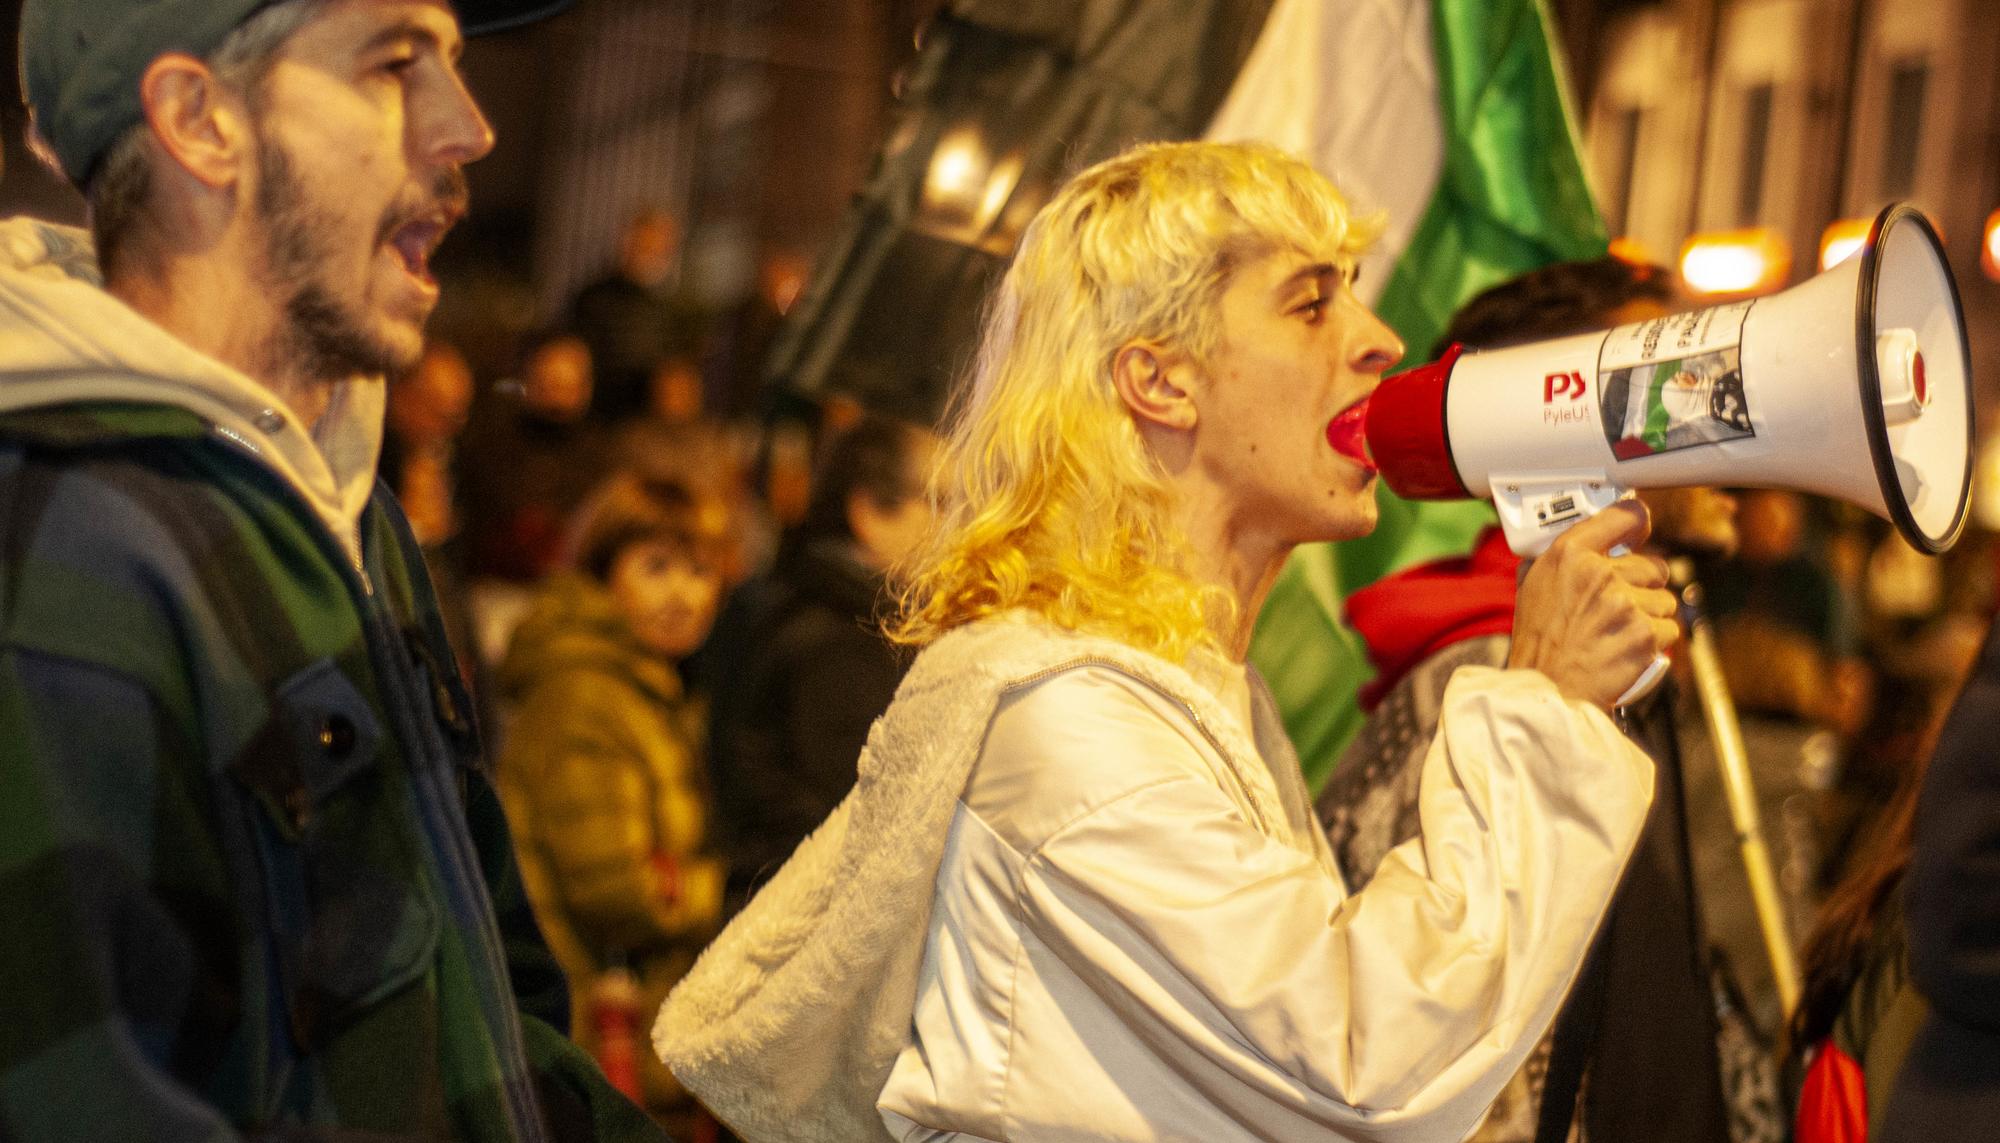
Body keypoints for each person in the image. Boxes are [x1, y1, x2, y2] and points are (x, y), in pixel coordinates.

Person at [656, 141, 1677, 1142]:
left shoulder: (1186, 694)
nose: (1378, 340)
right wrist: (1543, 706)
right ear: (1159, 382)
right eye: (1310, 302)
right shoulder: (1067, 720)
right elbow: (1362, 1067)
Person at [0, 1, 665, 1139]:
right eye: (395, 64)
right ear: (201, 122)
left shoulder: (344, 506)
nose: (470, 128)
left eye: (455, 62)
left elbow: (492, 1021)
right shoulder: (63, 558)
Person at [1318, 257, 1747, 1143]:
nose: (1717, 402)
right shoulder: (1478, 677)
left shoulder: (1636, 660)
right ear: (1563, 417)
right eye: (1666, 377)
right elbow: (1430, 1027)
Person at [496, 474, 730, 1123]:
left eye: (701, 570)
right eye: (656, 567)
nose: (682, 593)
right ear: (602, 572)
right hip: (588, 1031)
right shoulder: (586, 695)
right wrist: (728, 888)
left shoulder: (648, 685)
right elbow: (618, 890)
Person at [702, 413, 937, 910]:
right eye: (939, 501)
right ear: (870, 511)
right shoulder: (838, 638)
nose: (959, 523)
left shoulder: (825, 609)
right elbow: (846, 812)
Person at [570, 207, 703, 425]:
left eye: (659, 243)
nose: (652, 250)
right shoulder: (595, 298)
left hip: (653, 422)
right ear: (628, 241)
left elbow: (681, 365)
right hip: (602, 416)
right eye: (645, 241)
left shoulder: (676, 306)